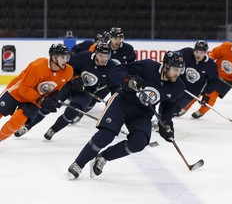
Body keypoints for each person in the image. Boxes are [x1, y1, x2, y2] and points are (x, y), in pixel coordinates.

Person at [65, 51, 186, 180]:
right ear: (166, 65)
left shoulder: (178, 86)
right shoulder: (148, 66)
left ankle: (103, 157)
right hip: (122, 102)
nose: (177, 73)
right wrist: (128, 79)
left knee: (139, 142)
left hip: (143, 113)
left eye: (180, 70)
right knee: (106, 135)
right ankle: (78, 164)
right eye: (175, 69)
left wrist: (166, 124)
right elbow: (116, 71)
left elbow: (168, 107)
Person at [14, 41, 117, 139]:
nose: (103, 59)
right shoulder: (84, 56)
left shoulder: (111, 66)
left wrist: (113, 100)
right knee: (48, 105)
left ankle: (53, 130)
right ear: (95, 53)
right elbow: (67, 67)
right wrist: (75, 78)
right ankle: (27, 126)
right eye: (100, 56)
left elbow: (114, 86)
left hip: (87, 91)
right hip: (69, 84)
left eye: (106, 56)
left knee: (72, 112)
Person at [0, 44, 73, 142]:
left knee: (18, 121)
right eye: (62, 57)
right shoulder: (38, 66)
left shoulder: (68, 71)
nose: (66, 60)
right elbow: (24, 88)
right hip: (17, 91)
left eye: (66, 57)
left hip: (35, 99)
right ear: (54, 57)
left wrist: (55, 96)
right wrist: (41, 100)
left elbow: (57, 87)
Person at [189, 34, 232, 118]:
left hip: (228, 80)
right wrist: (208, 64)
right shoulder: (226, 46)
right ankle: (184, 107)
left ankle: (201, 111)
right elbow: (213, 54)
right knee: (197, 90)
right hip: (214, 74)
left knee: (211, 95)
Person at [173, 40, 219, 116]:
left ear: (205, 53)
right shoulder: (187, 52)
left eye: (201, 53)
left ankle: (163, 122)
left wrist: (206, 94)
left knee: (175, 110)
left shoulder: (211, 65)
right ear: (194, 50)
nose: (198, 55)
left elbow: (214, 81)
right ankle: (161, 121)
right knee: (167, 104)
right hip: (177, 87)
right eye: (197, 52)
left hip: (191, 94)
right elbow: (173, 56)